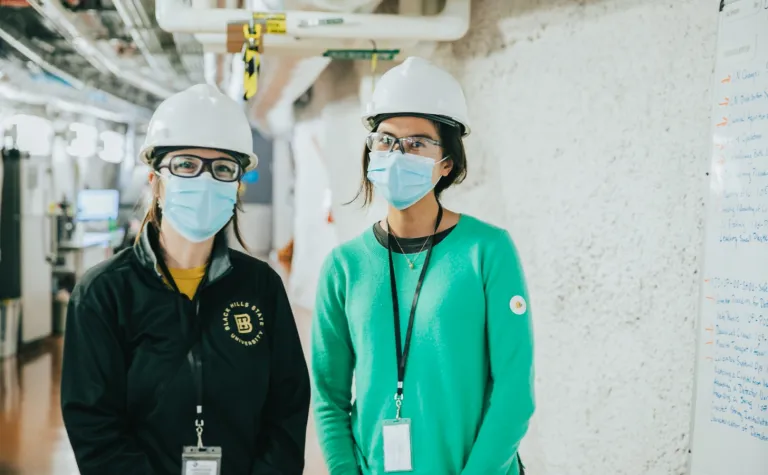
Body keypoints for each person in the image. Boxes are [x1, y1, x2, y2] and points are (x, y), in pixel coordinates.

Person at [60, 84, 310, 475]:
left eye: (223, 168)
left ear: (237, 184)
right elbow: (95, 426)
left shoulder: (262, 287)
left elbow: (288, 407)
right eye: (186, 165)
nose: (205, 179)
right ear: (155, 180)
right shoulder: (103, 293)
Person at [311, 57, 535, 475]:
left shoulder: (487, 251)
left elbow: (514, 392)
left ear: (446, 163)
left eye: (416, 144)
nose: (397, 154)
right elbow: (329, 398)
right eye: (386, 140)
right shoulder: (343, 267)